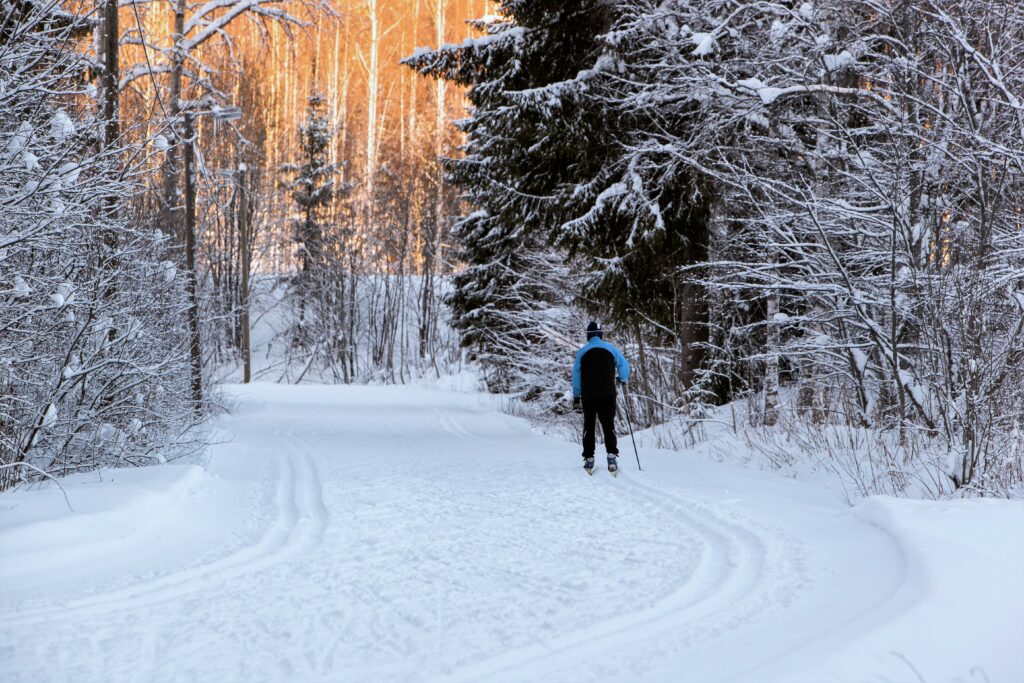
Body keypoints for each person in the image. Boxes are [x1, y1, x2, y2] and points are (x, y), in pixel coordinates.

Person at [572, 321, 630, 474]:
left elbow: (576, 376)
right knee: (608, 424)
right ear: (601, 334)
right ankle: (611, 456)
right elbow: (624, 366)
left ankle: (589, 459)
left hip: (589, 394)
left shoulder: (582, 352)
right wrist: (622, 379)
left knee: (589, 425)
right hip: (608, 393)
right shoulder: (611, 349)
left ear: (588, 335)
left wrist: (576, 397)